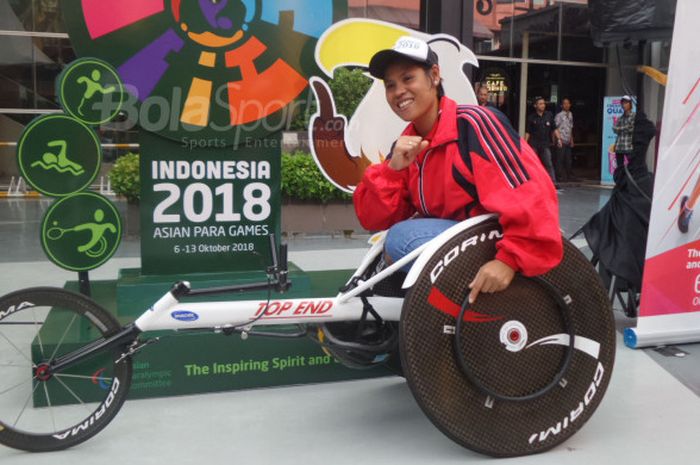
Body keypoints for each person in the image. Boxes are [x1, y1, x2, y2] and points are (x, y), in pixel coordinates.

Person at [354, 36, 563, 304]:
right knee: (387, 240)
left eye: (408, 79)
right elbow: (374, 219)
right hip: (462, 241)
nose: (398, 92)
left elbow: (531, 195)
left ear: (435, 76)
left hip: (495, 242)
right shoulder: (407, 146)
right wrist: (392, 171)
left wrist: (509, 260)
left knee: (401, 239)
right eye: (390, 85)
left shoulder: (475, 124)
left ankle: (458, 307)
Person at [525, 97, 558, 186]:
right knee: (533, 164)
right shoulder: (531, 117)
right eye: (540, 104)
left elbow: (554, 129)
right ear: (535, 105)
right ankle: (531, 182)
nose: (543, 105)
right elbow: (528, 132)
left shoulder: (549, 115)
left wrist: (559, 139)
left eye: (543, 103)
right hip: (534, 144)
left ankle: (553, 182)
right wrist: (525, 144)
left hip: (545, 144)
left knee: (548, 163)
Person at [612, 95, 635, 183]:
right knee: (620, 168)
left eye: (626, 103)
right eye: (623, 103)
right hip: (619, 147)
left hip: (628, 146)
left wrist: (620, 129)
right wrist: (624, 128)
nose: (624, 105)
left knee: (631, 166)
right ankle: (621, 183)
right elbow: (614, 129)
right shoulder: (621, 118)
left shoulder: (633, 116)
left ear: (630, 104)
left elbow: (631, 128)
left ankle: (631, 183)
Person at [554, 97, 575, 182]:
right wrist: (556, 139)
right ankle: (558, 177)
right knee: (560, 159)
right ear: (562, 105)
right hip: (561, 139)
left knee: (568, 159)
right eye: (564, 103)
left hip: (568, 139)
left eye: (568, 103)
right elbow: (555, 128)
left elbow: (571, 128)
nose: (566, 105)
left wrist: (572, 140)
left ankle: (569, 176)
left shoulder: (570, 114)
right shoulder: (559, 115)